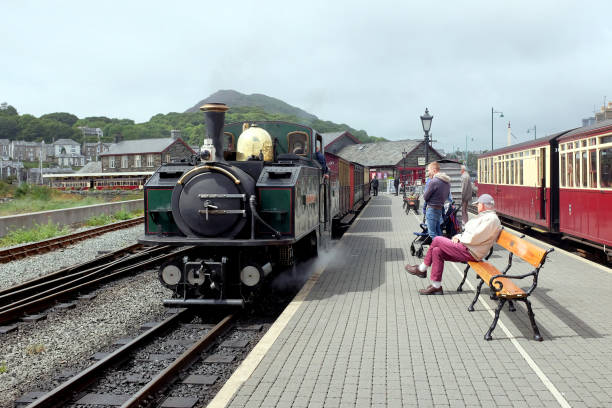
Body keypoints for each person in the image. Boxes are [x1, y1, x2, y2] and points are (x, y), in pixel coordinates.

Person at [405, 194, 501, 295]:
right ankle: (436, 286)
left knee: (437, 239)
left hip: (470, 251)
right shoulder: (487, 217)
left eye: (478, 204)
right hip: (468, 248)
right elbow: (472, 233)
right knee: (437, 251)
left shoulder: (491, 219)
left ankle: (422, 269)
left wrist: (460, 238)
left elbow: (475, 237)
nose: (477, 206)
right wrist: (459, 236)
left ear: (483, 205)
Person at [423, 161, 451, 239]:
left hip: (432, 209)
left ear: (434, 170)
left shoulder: (434, 181)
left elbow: (425, 197)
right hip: (439, 209)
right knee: (438, 231)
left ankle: (439, 249)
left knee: (432, 233)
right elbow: (447, 196)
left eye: (429, 170)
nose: (428, 173)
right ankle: (442, 248)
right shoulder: (447, 182)